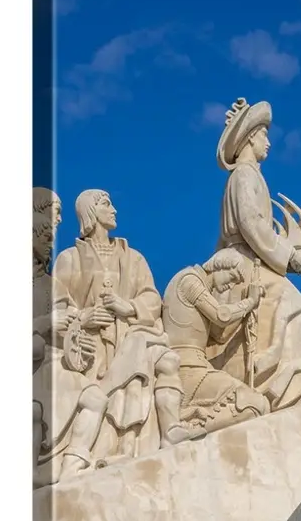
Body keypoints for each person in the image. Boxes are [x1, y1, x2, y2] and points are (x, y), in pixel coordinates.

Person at [53, 189, 198, 463]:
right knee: (130, 365)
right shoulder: (69, 259)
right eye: (107, 204)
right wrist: (85, 317)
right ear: (91, 211)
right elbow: (57, 308)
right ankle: (120, 449)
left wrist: (128, 306)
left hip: (133, 332)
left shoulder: (133, 257)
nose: (114, 210)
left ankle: (170, 429)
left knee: (166, 359)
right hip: (92, 347)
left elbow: (151, 297)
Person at [213, 99, 301, 410]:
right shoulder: (244, 175)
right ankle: (294, 391)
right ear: (250, 137)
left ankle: (286, 384)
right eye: (264, 134)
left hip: (251, 259)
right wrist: (289, 256)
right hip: (246, 262)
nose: (269, 142)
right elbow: (251, 224)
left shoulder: (250, 176)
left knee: (300, 314)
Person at [32, 190, 108, 486]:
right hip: (33, 367)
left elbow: (70, 319)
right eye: (45, 237)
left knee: (96, 398)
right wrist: (45, 323)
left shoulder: (51, 284)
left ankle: (71, 469)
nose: (52, 242)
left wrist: (80, 336)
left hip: (53, 364)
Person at [162, 248, 269, 433]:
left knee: (260, 405)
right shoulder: (189, 280)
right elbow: (221, 316)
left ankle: (191, 429)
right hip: (187, 369)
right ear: (220, 265)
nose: (231, 285)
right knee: (254, 403)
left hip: (198, 368)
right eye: (232, 277)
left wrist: (245, 306)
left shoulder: (202, 288)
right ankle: (189, 431)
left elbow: (220, 335)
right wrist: (250, 302)